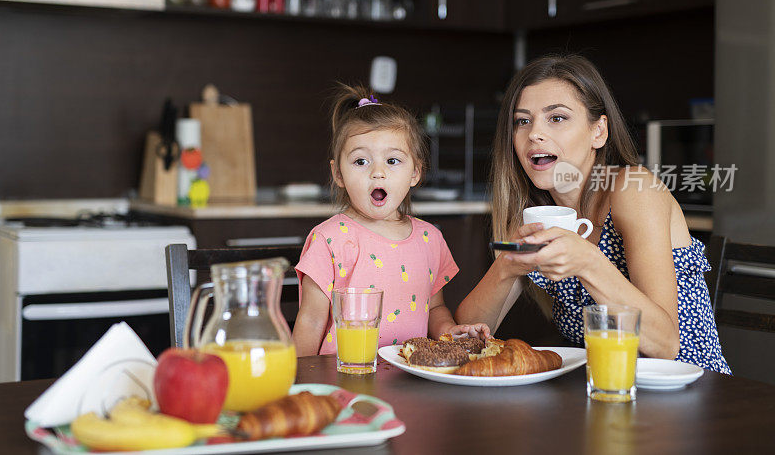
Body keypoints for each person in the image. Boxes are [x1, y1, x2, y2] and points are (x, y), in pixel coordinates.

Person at [455, 54, 730, 373]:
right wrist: (509, 265)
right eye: (522, 120)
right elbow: (467, 335)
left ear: (598, 132)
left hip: (693, 393)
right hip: (609, 391)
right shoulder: (540, 216)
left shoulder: (634, 188)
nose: (534, 133)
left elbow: (665, 344)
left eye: (556, 117)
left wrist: (588, 261)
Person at [293, 84, 489, 356]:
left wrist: (448, 333)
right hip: (345, 377)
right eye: (361, 161)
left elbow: (433, 308)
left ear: (415, 172)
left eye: (393, 161)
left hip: (411, 378)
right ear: (338, 173)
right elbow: (311, 320)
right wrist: (302, 382)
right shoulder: (329, 238)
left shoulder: (430, 238)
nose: (378, 173)